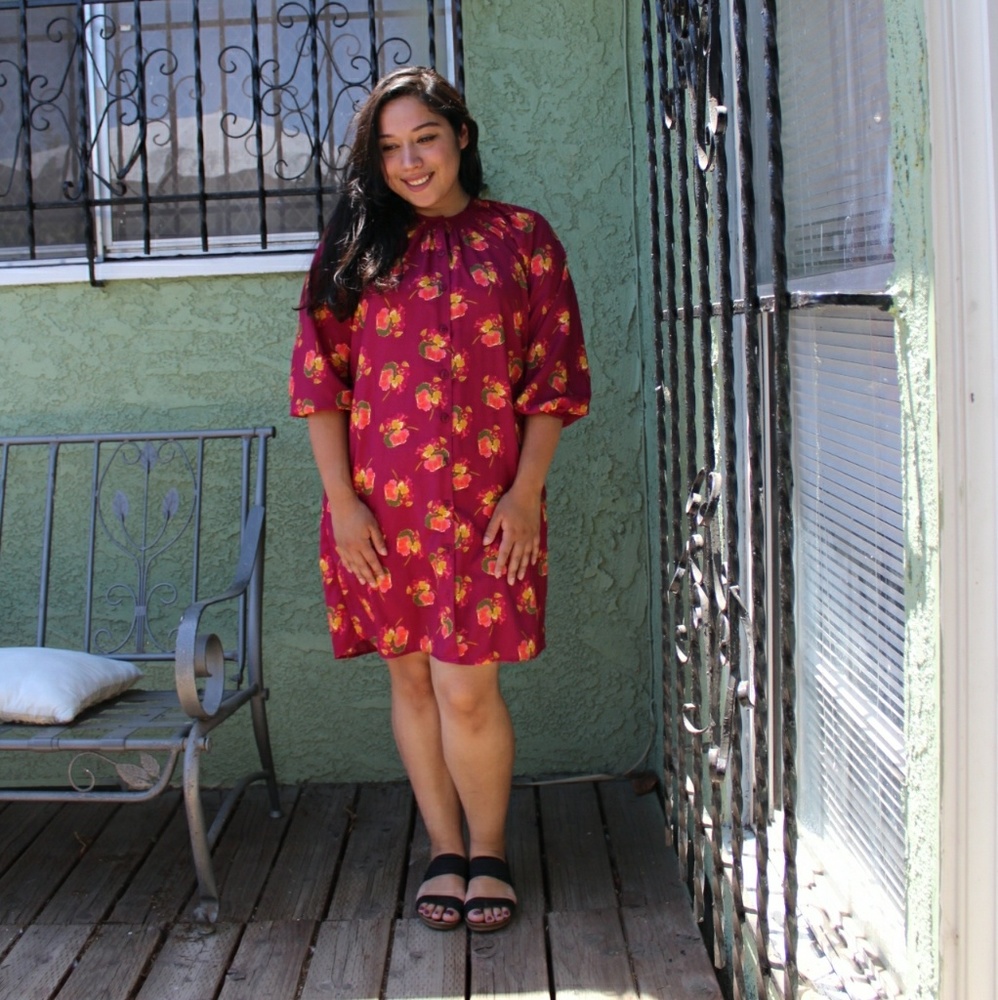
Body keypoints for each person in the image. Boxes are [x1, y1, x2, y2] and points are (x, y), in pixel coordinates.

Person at [289, 66, 590, 932]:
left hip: (492, 509)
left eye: (424, 138)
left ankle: (488, 850)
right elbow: (320, 385)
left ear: (461, 135)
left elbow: (553, 380)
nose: (410, 161)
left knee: (467, 689)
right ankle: (444, 848)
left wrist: (528, 495)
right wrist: (342, 505)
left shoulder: (525, 239)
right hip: (380, 511)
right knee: (413, 682)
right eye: (389, 148)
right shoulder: (354, 245)